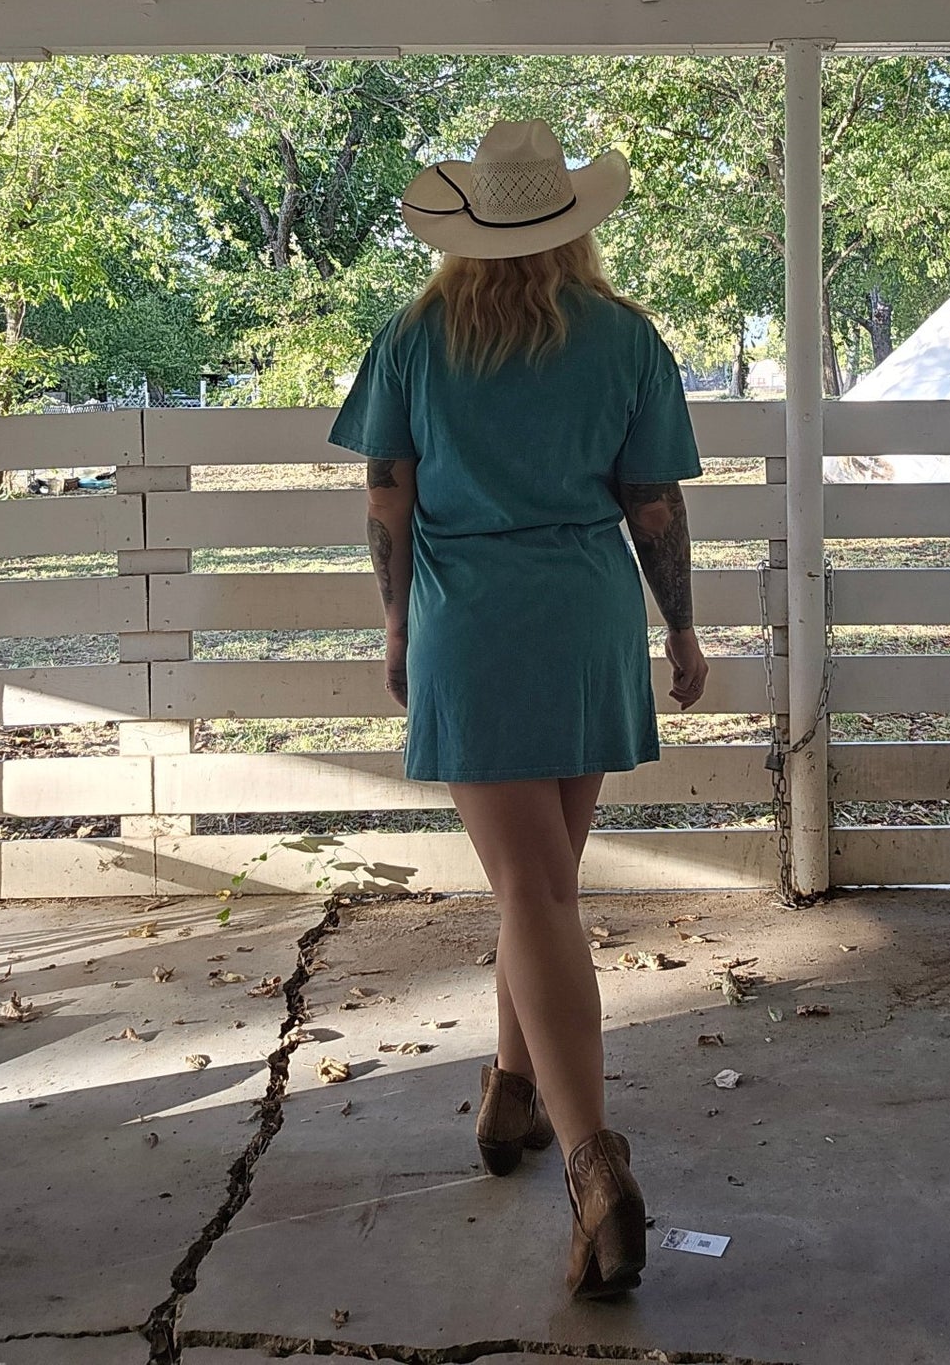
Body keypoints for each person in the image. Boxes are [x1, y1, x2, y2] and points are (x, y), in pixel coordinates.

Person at [327, 117, 709, 1299]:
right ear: (572, 227)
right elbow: (651, 508)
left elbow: (387, 506)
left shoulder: (411, 337)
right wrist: (680, 627)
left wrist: (396, 625)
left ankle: (595, 1165)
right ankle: (508, 1098)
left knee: (532, 890)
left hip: (470, 626)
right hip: (585, 625)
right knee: (537, 887)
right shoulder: (627, 338)